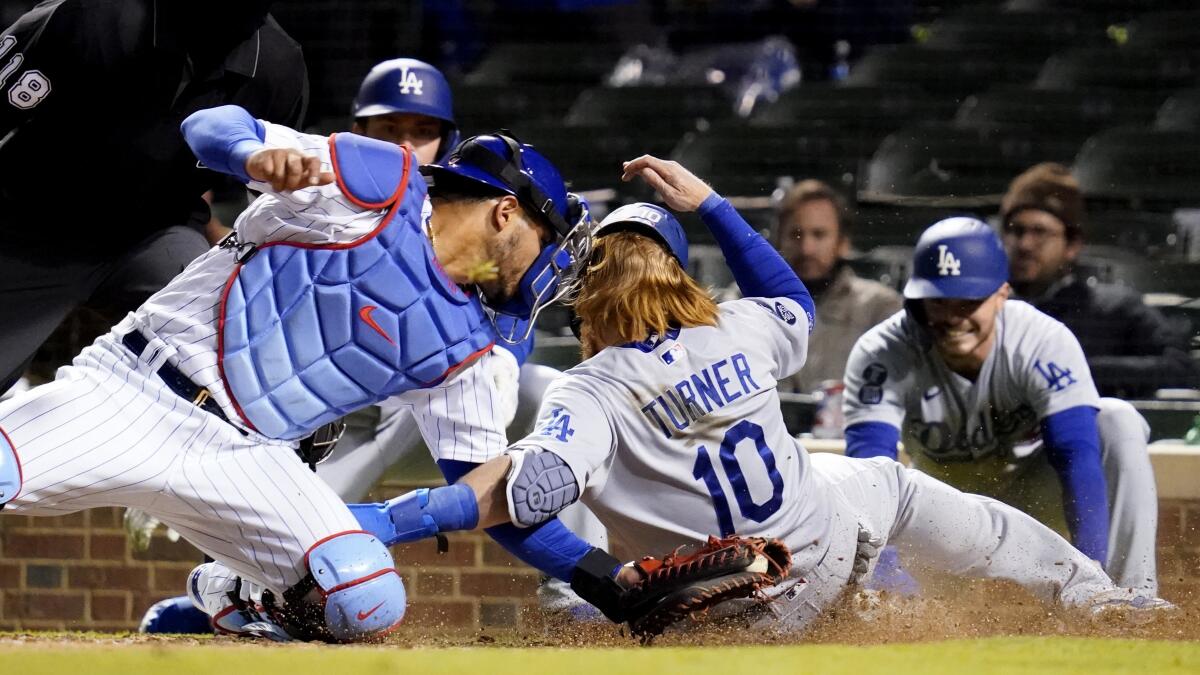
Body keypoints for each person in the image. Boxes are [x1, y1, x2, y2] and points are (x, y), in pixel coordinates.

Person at [348, 157, 1168, 634]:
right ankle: (1103, 599)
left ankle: (880, 610)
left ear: (587, 289)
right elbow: (794, 300)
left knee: (601, 601)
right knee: (913, 495)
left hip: (728, 610)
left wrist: (388, 520)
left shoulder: (589, 390)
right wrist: (710, 205)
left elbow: (526, 491)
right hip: (824, 541)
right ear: (680, 267)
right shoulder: (738, 327)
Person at [0, 103, 592, 643]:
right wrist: (250, 155)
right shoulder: (376, 183)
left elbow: (491, 491)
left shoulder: (472, 347)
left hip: (246, 455)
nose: (552, 262)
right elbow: (209, 124)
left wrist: (611, 580)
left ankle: (237, 592)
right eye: (548, 238)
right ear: (507, 212)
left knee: (364, 601)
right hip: (135, 390)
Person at [0, 0, 308, 396]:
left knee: (240, 354)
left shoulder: (278, 67)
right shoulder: (96, 16)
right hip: (28, 227)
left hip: (153, 235)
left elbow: (271, 210)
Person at [842, 218, 1160, 595]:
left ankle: (1127, 598)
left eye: (969, 301)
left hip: (1032, 500)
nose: (954, 316)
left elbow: (1077, 456)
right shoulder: (882, 351)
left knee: (1117, 419)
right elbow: (870, 472)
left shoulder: (1040, 340)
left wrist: (1092, 573)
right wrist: (885, 571)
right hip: (943, 514)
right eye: (939, 301)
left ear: (1002, 294)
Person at [1001, 163, 1197, 398]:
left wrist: (1076, 368)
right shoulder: (985, 311)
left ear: (1072, 245)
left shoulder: (1113, 309)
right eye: (1016, 231)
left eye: (1040, 232)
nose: (1024, 245)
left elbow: (1181, 368)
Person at [754, 179, 901, 394]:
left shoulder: (879, 308)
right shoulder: (744, 303)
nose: (806, 249)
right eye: (796, 234)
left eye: (819, 234)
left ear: (843, 242)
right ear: (777, 241)